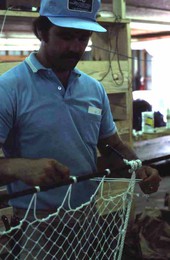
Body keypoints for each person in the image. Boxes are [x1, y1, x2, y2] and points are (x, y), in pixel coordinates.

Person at [0, 0, 161, 258]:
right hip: (34, 222)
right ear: (41, 31)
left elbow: (112, 147)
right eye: (65, 36)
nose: (75, 47)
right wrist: (18, 167)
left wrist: (138, 167)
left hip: (87, 215)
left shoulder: (93, 89)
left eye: (83, 38)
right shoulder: (9, 89)